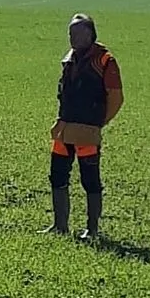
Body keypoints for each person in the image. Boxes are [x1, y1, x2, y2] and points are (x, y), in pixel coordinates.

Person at [44, 13, 123, 240]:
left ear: (90, 34)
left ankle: (92, 230)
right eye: (70, 33)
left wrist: (99, 122)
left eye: (77, 33)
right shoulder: (69, 59)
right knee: (57, 176)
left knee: (90, 180)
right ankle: (60, 225)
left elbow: (116, 98)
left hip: (87, 132)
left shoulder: (105, 60)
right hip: (64, 129)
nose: (72, 38)